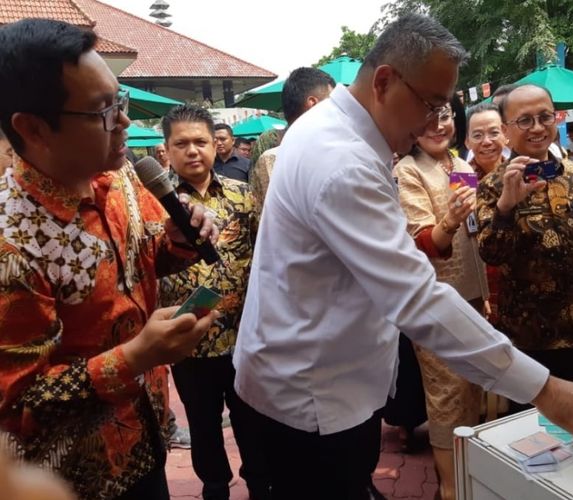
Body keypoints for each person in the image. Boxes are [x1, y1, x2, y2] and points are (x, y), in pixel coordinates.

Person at [233, 14, 573, 500]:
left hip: (317, 375)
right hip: (313, 396)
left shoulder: (334, 129)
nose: (435, 122)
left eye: (445, 106)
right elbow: (416, 297)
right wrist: (546, 390)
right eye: (430, 104)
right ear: (385, 81)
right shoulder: (342, 162)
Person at [0, 19, 219, 499]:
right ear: (34, 128)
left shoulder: (118, 177)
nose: (124, 122)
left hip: (150, 432)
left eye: (119, 101)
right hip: (77, 475)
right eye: (103, 111)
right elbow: (17, 403)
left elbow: (146, 258)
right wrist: (137, 355)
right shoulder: (11, 244)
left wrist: (182, 240)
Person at [475, 84, 573, 413]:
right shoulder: (493, 184)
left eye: (545, 117)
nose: (537, 127)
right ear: (506, 131)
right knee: (529, 428)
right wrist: (505, 208)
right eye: (525, 120)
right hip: (527, 333)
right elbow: (490, 253)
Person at [159, 104, 264, 500]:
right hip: (188, 342)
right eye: (181, 143)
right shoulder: (154, 205)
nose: (192, 151)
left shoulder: (242, 195)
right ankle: (215, 487)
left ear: (216, 143)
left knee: (253, 420)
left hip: (244, 338)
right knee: (203, 426)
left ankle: (260, 484)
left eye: (200, 141)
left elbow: (263, 256)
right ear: (166, 150)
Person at [393, 102, 487, 500]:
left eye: (445, 115)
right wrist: (449, 220)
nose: (438, 124)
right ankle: (449, 488)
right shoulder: (407, 170)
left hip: (474, 294)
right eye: (427, 116)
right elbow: (422, 241)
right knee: (447, 393)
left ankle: (471, 474)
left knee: (472, 387)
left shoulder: (460, 163)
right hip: (433, 300)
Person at [250, 67, 334, 213]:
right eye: (332, 101)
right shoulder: (269, 153)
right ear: (313, 104)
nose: (336, 109)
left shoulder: (334, 148)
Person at [464, 101, 507, 327]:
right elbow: (466, 234)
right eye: (478, 135)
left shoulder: (520, 173)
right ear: (467, 141)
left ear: (506, 134)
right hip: (482, 280)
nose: (487, 141)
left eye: (494, 132)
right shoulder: (462, 177)